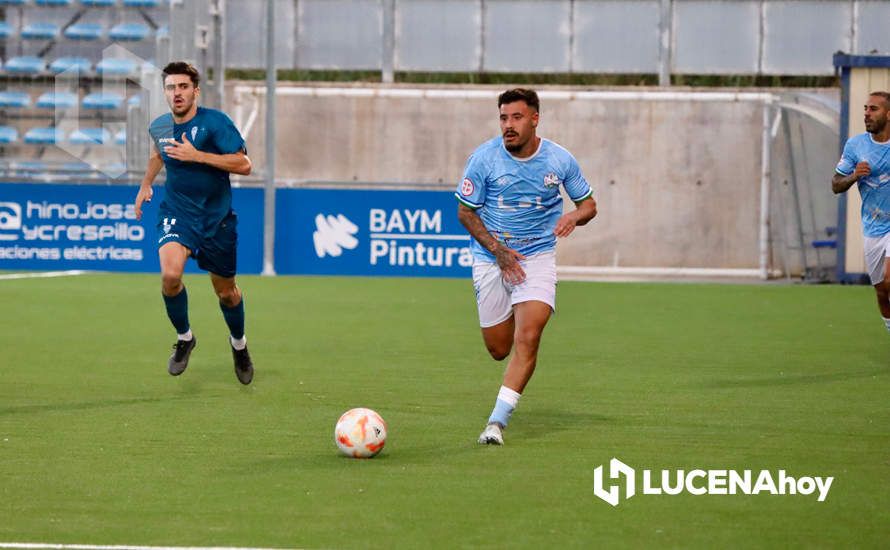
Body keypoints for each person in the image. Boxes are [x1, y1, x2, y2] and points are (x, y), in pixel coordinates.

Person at [456, 88, 598, 445]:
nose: (509, 125)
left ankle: (495, 423)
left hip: (536, 257)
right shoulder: (484, 159)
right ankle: (498, 410)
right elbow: (465, 211)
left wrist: (575, 216)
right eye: (504, 118)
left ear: (535, 119)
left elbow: (589, 205)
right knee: (498, 348)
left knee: (529, 337)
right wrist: (498, 250)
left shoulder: (559, 160)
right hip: (491, 259)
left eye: (517, 117)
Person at [134, 61, 255, 385]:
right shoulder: (160, 126)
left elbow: (244, 164)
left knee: (227, 293)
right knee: (170, 275)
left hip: (216, 220)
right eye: (171, 87)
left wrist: (198, 155)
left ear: (195, 91)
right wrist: (146, 184)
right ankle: (185, 337)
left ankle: (239, 345)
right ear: (165, 92)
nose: (177, 93)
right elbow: (159, 154)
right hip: (178, 213)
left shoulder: (215, 123)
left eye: (183, 87)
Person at [833, 91, 890, 330]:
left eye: (873, 109)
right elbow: (836, 184)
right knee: (881, 292)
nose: (866, 113)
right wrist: (855, 175)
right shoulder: (855, 145)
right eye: (866, 108)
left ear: (889, 114)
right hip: (873, 227)